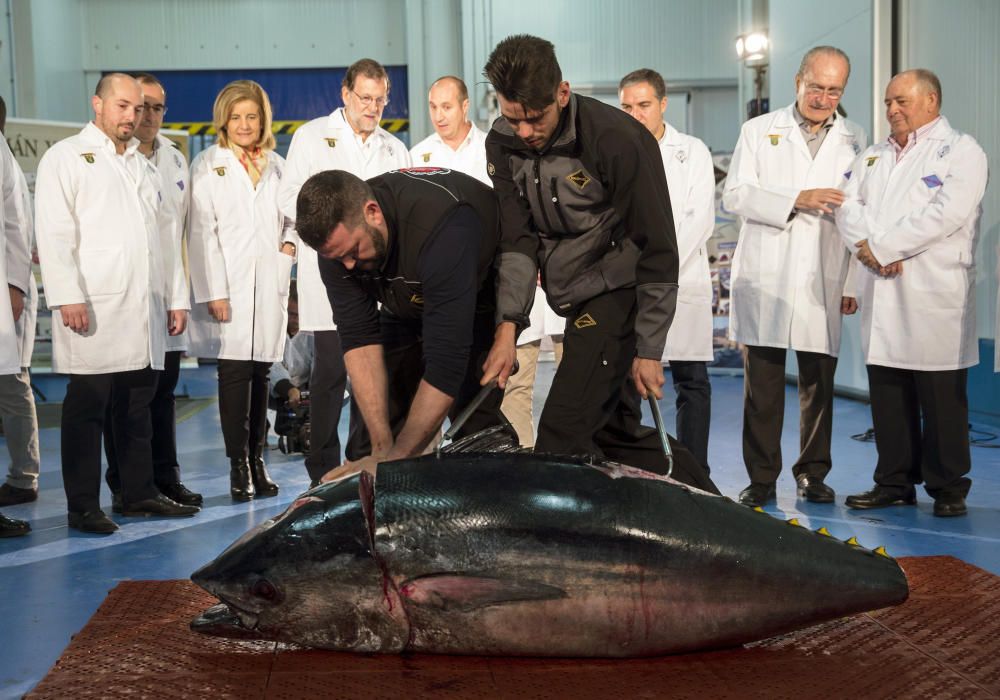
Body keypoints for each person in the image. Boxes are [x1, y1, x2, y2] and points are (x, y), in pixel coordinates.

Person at [480, 35, 716, 493]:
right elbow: (516, 239)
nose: (525, 132)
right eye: (513, 118)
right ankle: (714, 509)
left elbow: (658, 247)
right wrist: (508, 327)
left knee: (561, 433)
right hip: (572, 294)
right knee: (616, 434)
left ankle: (557, 554)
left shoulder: (617, 139)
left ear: (562, 94)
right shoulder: (503, 141)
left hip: (618, 290)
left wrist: (648, 349)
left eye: (535, 118)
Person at [35, 74, 197, 533]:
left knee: (135, 405)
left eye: (139, 108)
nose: (132, 116)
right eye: (123, 106)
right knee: (87, 406)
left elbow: (165, 240)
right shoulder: (66, 158)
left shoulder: (143, 165)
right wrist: (66, 295)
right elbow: (54, 232)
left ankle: (139, 492)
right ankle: (83, 505)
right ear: (98, 105)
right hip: (92, 305)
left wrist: (175, 297)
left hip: (143, 305)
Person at [836, 69, 987, 518]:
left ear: (931, 101)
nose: (891, 110)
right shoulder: (873, 156)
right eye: (887, 102)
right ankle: (894, 481)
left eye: (901, 101)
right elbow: (848, 207)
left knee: (941, 397)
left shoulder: (962, 151)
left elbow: (949, 213)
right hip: (882, 288)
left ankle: (948, 486)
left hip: (934, 291)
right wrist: (871, 251)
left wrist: (883, 246)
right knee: (889, 393)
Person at [722, 46, 866, 506]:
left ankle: (812, 474)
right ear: (798, 82)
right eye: (816, 87)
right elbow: (736, 195)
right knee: (762, 387)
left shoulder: (855, 138)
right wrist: (797, 197)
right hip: (768, 271)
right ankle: (762, 478)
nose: (824, 98)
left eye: (834, 90)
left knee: (818, 385)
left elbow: (859, 214)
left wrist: (851, 283)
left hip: (824, 273)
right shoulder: (760, 131)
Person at [296, 167, 505, 475]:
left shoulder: (442, 227)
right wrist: (382, 451)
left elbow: (446, 365)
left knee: (472, 432)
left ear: (372, 213)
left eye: (353, 252)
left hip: (472, 299)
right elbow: (359, 338)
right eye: (339, 259)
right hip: (403, 302)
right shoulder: (337, 248)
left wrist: (393, 465)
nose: (349, 266)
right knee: (369, 447)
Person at [278, 58, 410, 486]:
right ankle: (321, 470)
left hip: (379, 279)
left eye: (380, 99)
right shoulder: (312, 136)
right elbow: (289, 199)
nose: (372, 107)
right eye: (364, 98)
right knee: (331, 376)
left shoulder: (394, 147)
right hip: (332, 273)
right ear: (345, 94)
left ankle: (361, 458)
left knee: (371, 376)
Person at [188, 79, 292, 502]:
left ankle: (258, 460)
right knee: (233, 375)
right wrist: (214, 290)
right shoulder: (207, 165)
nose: (245, 124)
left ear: (263, 119)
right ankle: (237, 466)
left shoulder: (278, 165)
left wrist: (288, 247)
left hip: (267, 283)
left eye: (252, 116)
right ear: (224, 121)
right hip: (228, 286)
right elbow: (201, 233)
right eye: (236, 117)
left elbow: (294, 217)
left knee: (260, 373)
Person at [103, 73, 202, 511]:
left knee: (164, 395)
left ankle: (165, 478)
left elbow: (177, 235)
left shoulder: (176, 160)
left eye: (157, 107)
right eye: (141, 106)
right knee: (124, 399)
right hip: (125, 298)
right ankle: (125, 482)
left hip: (166, 298)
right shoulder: (112, 160)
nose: (148, 115)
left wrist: (178, 298)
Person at [620, 68, 716, 474]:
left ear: (662, 104)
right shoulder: (615, 149)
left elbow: (699, 220)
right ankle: (637, 469)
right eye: (626, 107)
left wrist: (657, 264)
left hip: (683, 280)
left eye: (643, 105)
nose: (635, 114)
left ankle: (694, 471)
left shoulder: (692, 151)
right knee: (628, 385)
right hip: (630, 285)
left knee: (691, 382)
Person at [0, 95, 41, 517]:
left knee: (13, 386)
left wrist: (13, 286)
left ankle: (23, 477)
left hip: (6, 296)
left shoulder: (2, 156)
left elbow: (16, 227)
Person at [409, 76, 491, 185]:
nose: (438, 117)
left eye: (446, 107)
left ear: (465, 106)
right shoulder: (416, 156)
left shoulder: (490, 149)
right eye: (433, 107)